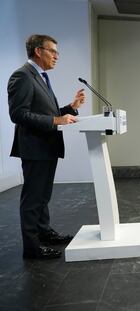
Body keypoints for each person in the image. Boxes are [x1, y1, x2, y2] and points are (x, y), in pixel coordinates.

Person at [8, 34, 85, 259]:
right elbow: (18, 114)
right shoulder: (22, 76)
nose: (56, 57)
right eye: (53, 51)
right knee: (33, 198)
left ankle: (44, 232)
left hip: (46, 146)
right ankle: (32, 247)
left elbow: (46, 113)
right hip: (34, 147)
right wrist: (55, 121)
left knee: (43, 196)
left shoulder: (40, 76)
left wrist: (70, 108)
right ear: (38, 51)